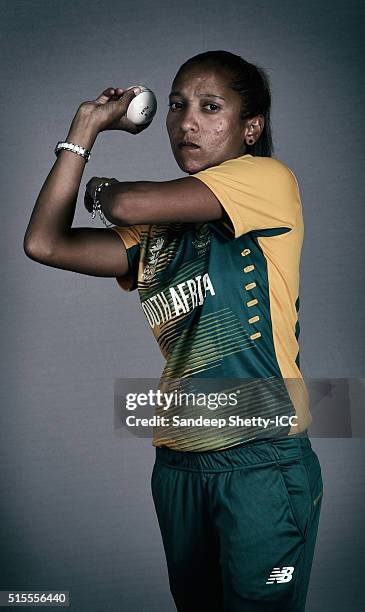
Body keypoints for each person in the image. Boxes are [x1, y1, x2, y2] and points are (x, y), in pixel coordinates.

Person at [24, 50, 323, 611]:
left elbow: (128, 200)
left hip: (261, 460)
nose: (187, 120)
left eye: (211, 108)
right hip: (179, 461)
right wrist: (83, 129)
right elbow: (44, 243)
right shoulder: (156, 232)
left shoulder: (267, 179)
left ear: (249, 127)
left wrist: (102, 191)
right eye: (179, 105)